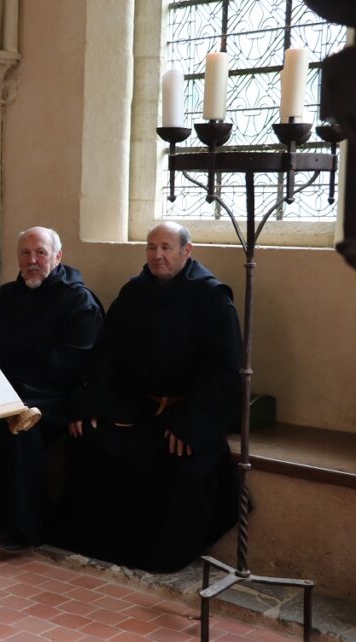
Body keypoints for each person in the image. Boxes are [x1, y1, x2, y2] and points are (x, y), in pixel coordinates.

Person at [63, 221, 242, 572]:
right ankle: (101, 542)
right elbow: (107, 354)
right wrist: (93, 405)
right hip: (139, 404)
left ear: (186, 251)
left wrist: (191, 421)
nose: (157, 255)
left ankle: (163, 555)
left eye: (166, 248)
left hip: (190, 409)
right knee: (91, 440)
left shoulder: (211, 297)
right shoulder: (134, 293)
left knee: (186, 461)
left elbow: (223, 368)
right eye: (151, 247)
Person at [0, 226, 104, 553]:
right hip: (4, 391)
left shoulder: (78, 301)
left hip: (52, 397)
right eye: (26, 254)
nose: (32, 261)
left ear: (57, 257)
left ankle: (24, 527)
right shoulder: (3, 298)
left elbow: (72, 364)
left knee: (22, 430)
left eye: (41, 253)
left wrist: (17, 392)